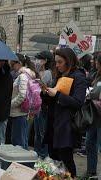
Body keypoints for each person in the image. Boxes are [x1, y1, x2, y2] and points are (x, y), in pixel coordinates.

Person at [42, 48, 87, 178]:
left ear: (69, 61)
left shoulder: (79, 77)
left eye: (60, 62)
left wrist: (57, 95)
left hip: (67, 126)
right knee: (54, 159)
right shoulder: (60, 76)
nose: (57, 65)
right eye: (56, 62)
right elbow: (54, 98)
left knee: (66, 160)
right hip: (54, 124)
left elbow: (78, 102)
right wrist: (45, 93)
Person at [10, 54, 39, 150]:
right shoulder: (29, 74)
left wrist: (10, 104)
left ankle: (21, 164)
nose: (11, 65)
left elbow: (22, 95)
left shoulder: (23, 76)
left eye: (12, 63)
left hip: (19, 112)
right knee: (22, 139)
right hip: (24, 111)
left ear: (19, 63)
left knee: (18, 142)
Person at [33, 51, 53, 158]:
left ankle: (43, 155)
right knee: (36, 133)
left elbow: (42, 86)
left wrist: (37, 78)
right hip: (37, 106)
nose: (37, 61)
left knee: (42, 132)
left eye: (39, 59)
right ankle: (36, 154)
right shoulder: (38, 72)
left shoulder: (48, 73)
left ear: (45, 61)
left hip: (43, 106)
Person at [85, 54, 101, 179]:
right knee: (90, 143)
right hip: (94, 115)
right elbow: (94, 91)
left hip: (99, 115)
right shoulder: (96, 75)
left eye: (96, 61)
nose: (94, 63)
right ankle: (91, 171)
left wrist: (92, 95)